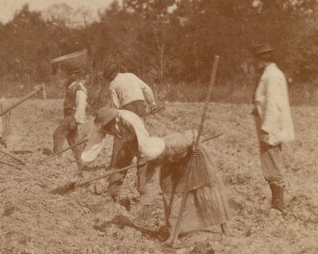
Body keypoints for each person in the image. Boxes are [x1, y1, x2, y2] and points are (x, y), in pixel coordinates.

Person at [83, 107, 229, 236]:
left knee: (204, 187)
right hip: (168, 157)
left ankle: (224, 228)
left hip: (192, 155)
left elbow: (184, 142)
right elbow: (97, 141)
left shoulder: (169, 142)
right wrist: (83, 163)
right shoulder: (118, 128)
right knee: (170, 191)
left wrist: (193, 146)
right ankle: (175, 231)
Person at [104, 65, 157, 200]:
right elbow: (147, 89)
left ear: (110, 76)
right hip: (141, 108)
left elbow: (116, 107)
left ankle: (113, 192)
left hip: (126, 111)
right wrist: (152, 103)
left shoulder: (112, 85)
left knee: (124, 152)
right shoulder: (131, 75)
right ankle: (143, 189)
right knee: (142, 146)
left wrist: (117, 125)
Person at [252, 44, 294, 213]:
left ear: (262, 60)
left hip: (271, 125)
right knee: (270, 161)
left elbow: (272, 105)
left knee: (271, 162)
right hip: (268, 124)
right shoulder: (270, 74)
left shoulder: (272, 76)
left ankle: (278, 205)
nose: (254, 64)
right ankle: (276, 203)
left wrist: (266, 129)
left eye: (256, 60)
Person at [52, 63, 88, 169]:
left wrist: (76, 120)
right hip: (69, 115)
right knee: (73, 140)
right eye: (69, 75)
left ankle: (57, 161)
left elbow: (81, 104)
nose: (70, 77)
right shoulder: (72, 87)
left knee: (58, 135)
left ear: (77, 75)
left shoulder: (79, 87)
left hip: (72, 115)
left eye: (72, 74)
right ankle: (82, 161)